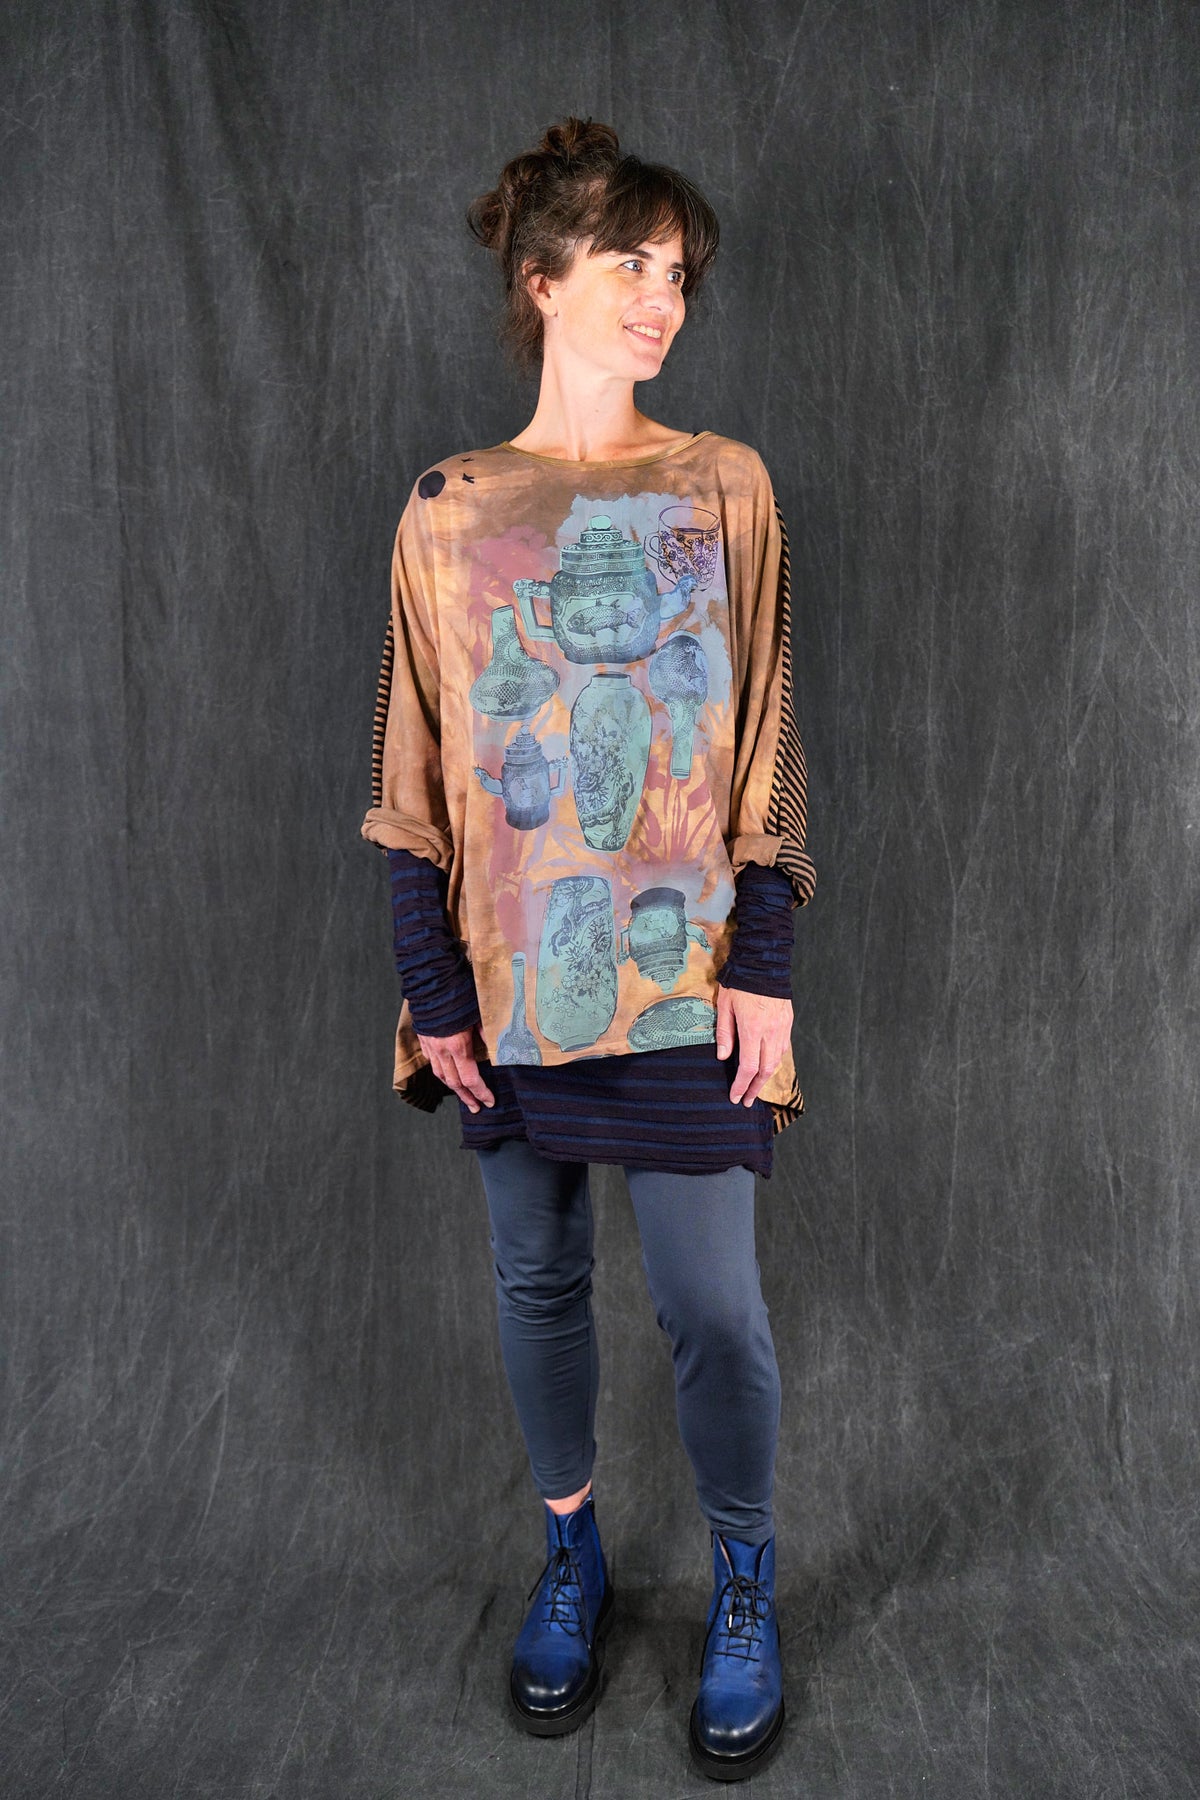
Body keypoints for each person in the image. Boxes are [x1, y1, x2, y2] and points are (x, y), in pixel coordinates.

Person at [360, 115, 816, 1783]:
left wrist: (765, 961)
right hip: (507, 980)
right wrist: (431, 987)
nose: (663, 300)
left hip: (687, 975)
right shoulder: (449, 509)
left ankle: (745, 1581)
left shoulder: (723, 484)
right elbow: (413, 773)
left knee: (713, 1306)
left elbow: (766, 742)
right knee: (538, 1278)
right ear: (542, 279)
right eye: (633, 264)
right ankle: (573, 1553)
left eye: (679, 274)